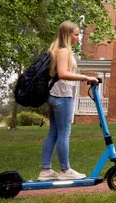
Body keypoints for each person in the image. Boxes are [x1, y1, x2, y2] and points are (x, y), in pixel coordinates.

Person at [39, 21, 99, 181]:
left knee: (53, 133)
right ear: (67, 35)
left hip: (54, 96)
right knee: (64, 133)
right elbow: (63, 73)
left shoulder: (57, 50)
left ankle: (45, 170)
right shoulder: (64, 51)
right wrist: (85, 77)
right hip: (62, 96)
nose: (78, 37)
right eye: (76, 34)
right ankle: (65, 170)